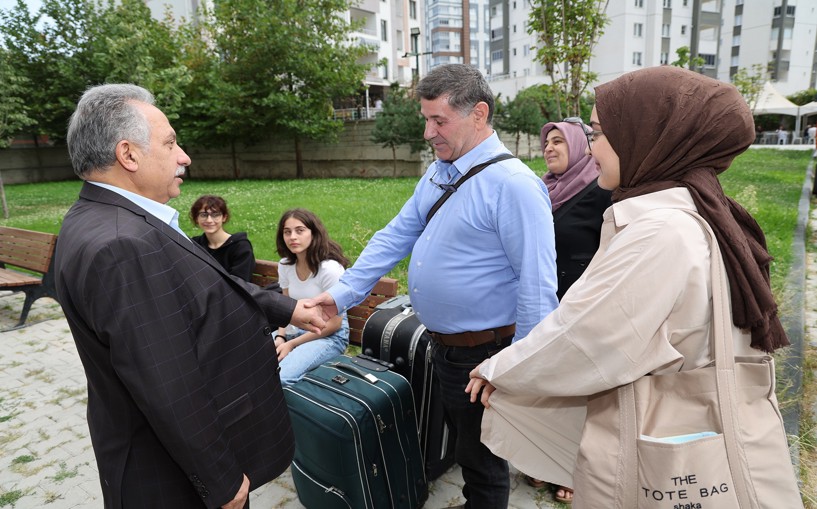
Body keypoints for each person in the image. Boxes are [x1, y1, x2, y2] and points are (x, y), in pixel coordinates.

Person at [464, 66, 801, 508]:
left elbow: (592, 334)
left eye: (600, 133)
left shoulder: (660, 230)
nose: (593, 147)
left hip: (659, 442)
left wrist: (502, 370)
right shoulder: (698, 209)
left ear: (651, 137)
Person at [53, 83, 326, 509]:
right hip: (174, 480)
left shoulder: (112, 219)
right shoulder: (123, 245)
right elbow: (166, 382)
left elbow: (201, 286)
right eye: (170, 143)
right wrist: (220, 479)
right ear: (128, 155)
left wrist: (287, 307)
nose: (184, 157)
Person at [310, 64, 559, 509]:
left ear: (478, 114)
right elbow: (395, 235)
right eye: (426, 120)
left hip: (486, 355)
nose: (428, 133)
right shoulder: (440, 172)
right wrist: (340, 295)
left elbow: (538, 286)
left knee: (484, 461)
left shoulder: (514, 186)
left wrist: (513, 369)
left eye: (438, 120)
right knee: (467, 448)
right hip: (445, 348)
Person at [522, 119, 612, 502]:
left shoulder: (601, 190)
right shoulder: (544, 190)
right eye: (546, 142)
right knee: (547, 384)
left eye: (559, 141)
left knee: (578, 390)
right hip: (544, 303)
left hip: (582, 307)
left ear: (577, 145)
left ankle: (573, 468)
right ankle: (543, 459)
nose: (550, 148)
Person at [273, 208, 350, 385]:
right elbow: (285, 307)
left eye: (299, 230)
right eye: (287, 232)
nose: (292, 237)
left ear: (314, 233)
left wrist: (292, 344)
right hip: (294, 330)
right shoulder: (285, 265)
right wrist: (281, 337)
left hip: (328, 336)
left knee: (281, 378)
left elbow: (334, 324)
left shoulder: (329, 269)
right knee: (249, 358)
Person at [190, 195, 256, 281]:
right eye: (203, 215)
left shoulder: (240, 246)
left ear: (224, 217)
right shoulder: (195, 245)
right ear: (196, 219)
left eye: (215, 215)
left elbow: (240, 283)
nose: (209, 220)